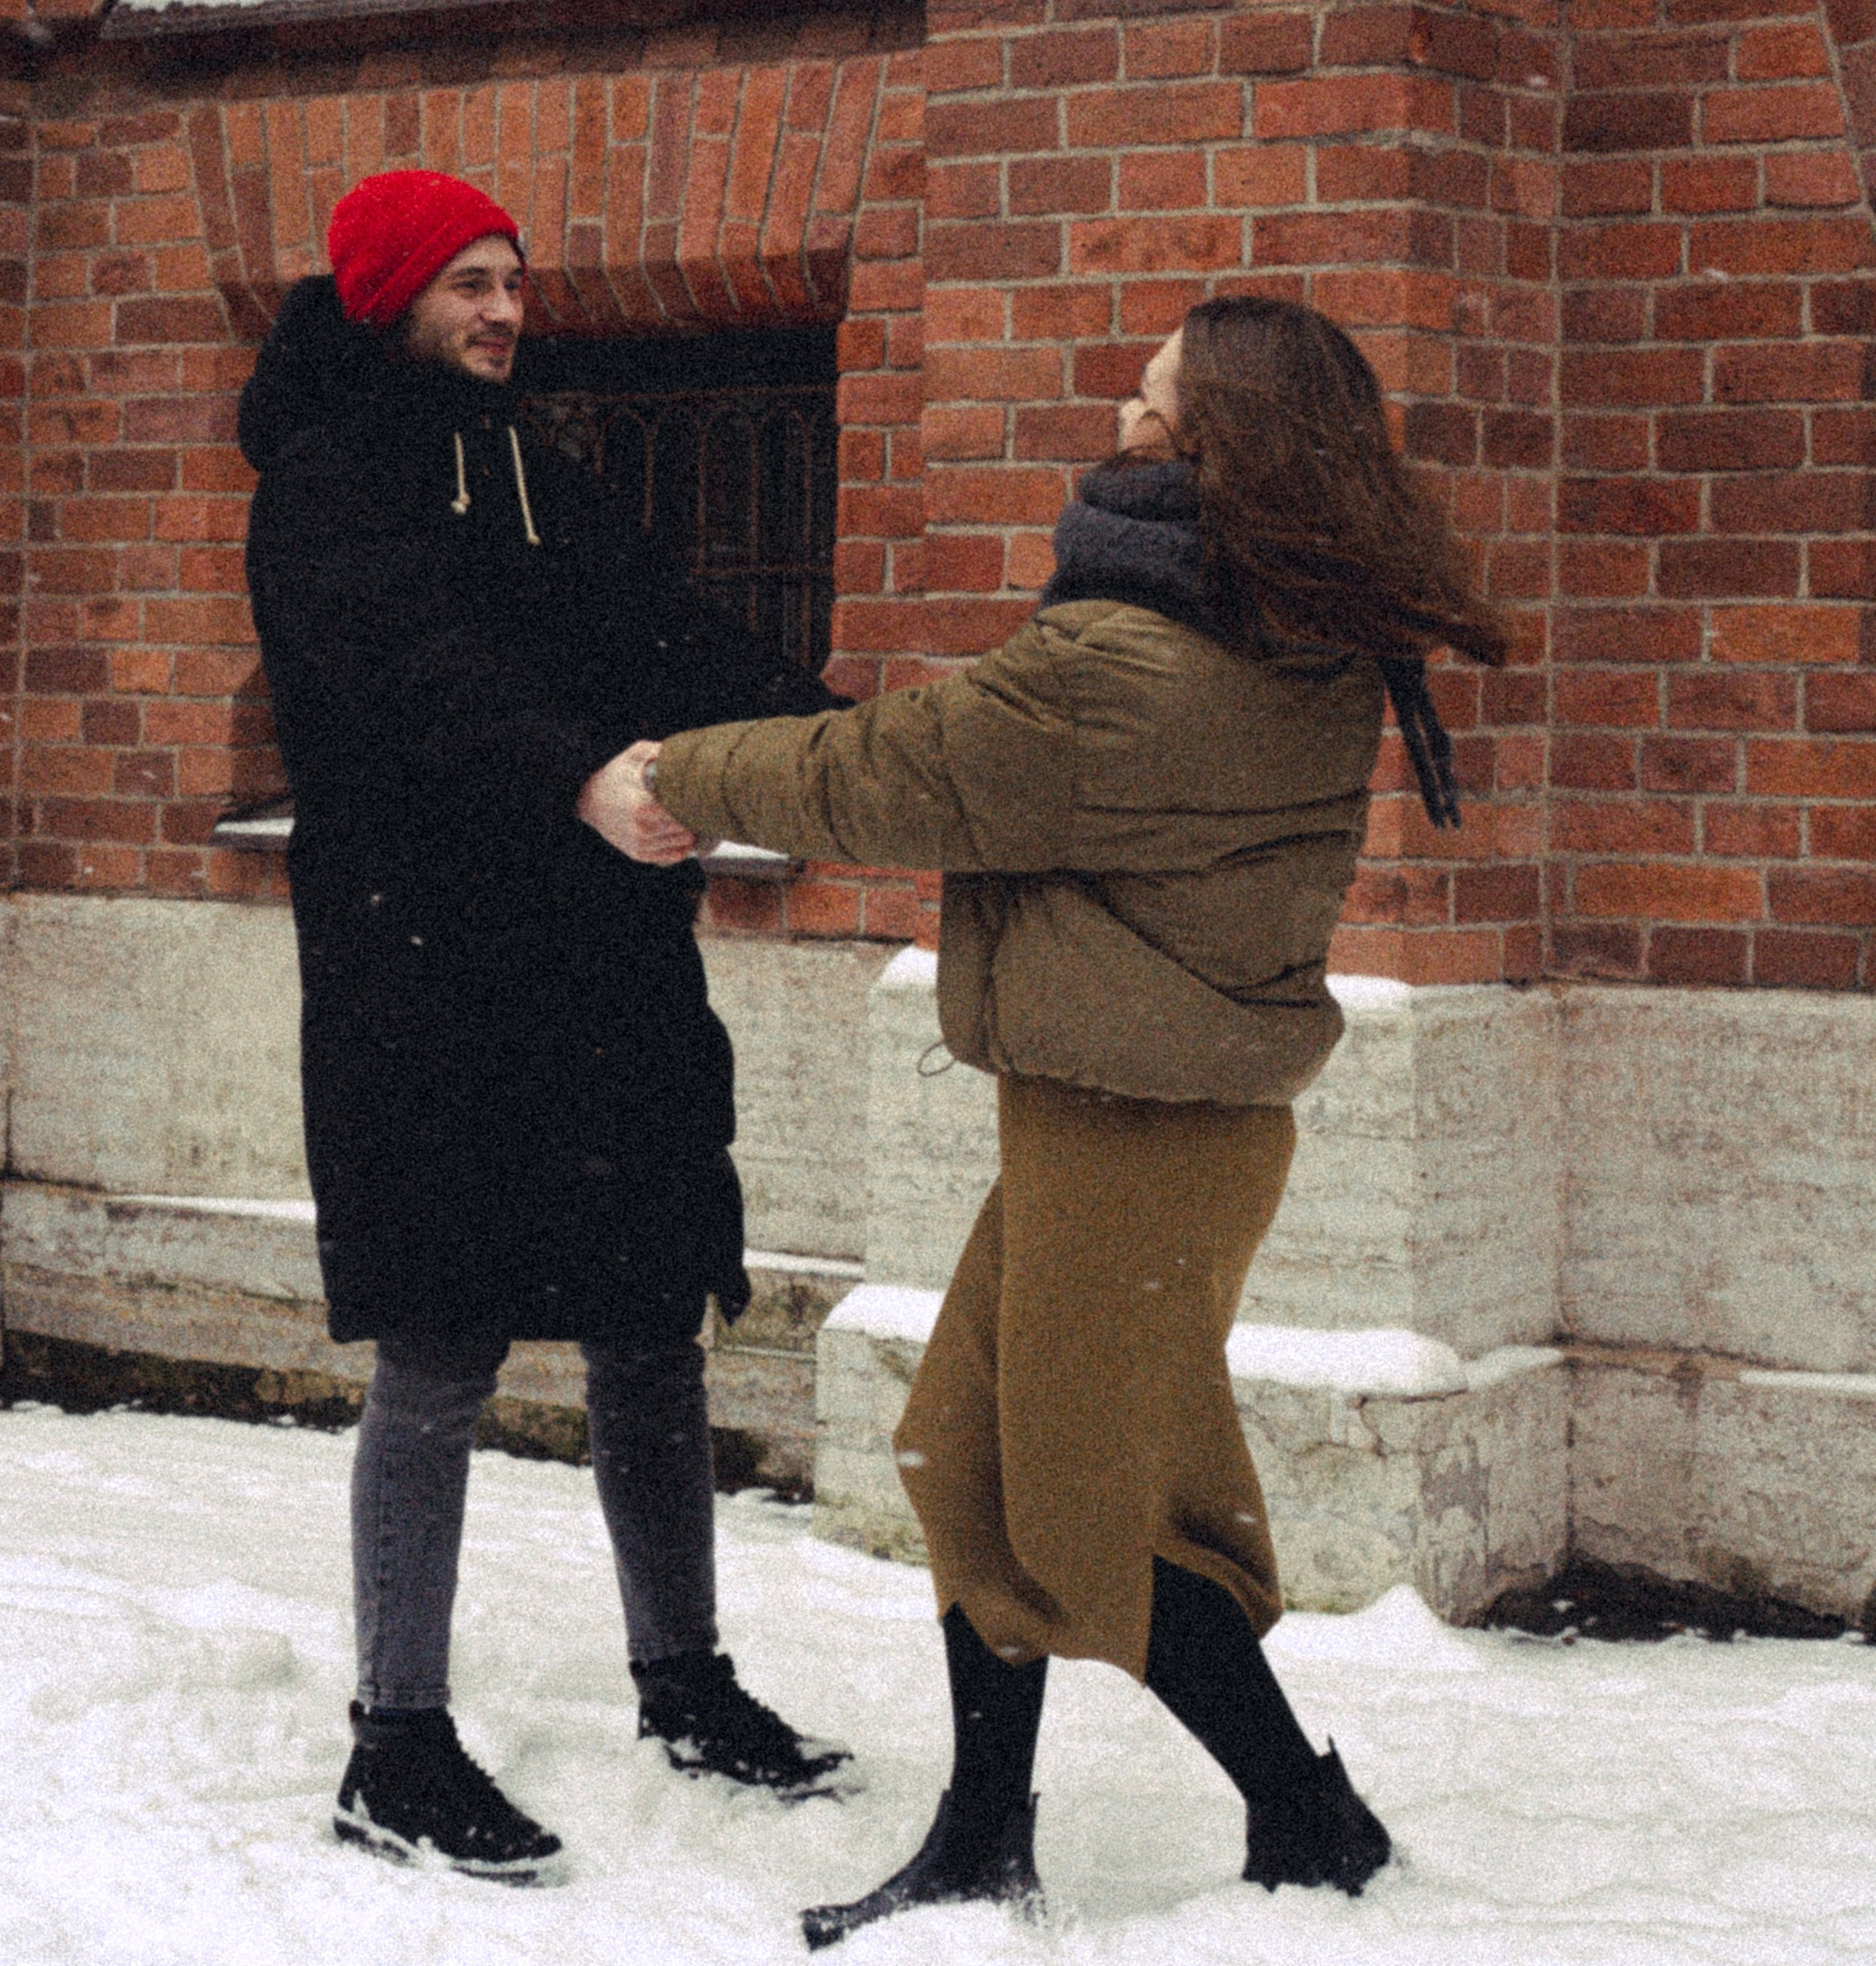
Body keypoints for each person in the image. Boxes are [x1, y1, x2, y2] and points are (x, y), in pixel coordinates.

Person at [595, 295, 1508, 1943]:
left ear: (1205, 438)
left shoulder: (1121, 668)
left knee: (1083, 1513)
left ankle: (1308, 1820)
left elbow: (889, 766)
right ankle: (978, 1836)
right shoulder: (1281, 627)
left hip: (1135, 1133)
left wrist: (679, 775)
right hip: (1133, 1117)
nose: (1126, 408)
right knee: (966, 1456)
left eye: (1153, 391)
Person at [240, 168, 851, 1879]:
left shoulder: (538, 468)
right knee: (438, 1345)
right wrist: (575, 775)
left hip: (600, 967)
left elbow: (674, 633)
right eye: (467, 285)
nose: (504, 312)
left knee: (650, 1322)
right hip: (425, 975)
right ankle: (398, 1743)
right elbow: (415, 676)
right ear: (386, 298)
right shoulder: (325, 485)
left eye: (513, 281)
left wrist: (846, 753)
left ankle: (686, 1678)